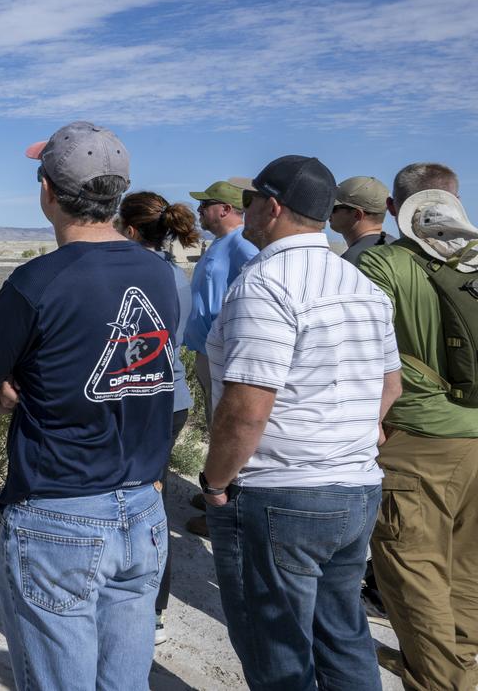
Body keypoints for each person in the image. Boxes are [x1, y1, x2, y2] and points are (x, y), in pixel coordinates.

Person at [0, 122, 179, 691]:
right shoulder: (161, 275)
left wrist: (9, 396)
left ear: (48, 193)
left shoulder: (35, 283)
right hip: (145, 512)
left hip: (59, 514)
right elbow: (142, 366)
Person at [201, 155, 400, 691]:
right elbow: (391, 385)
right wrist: (356, 432)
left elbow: (246, 410)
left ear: (272, 206)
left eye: (249, 201)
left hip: (280, 491)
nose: (244, 211)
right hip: (355, 487)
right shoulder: (362, 285)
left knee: (279, 655)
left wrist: (215, 483)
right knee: (343, 637)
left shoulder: (265, 285)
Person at [358, 162, 478, 690]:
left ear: (393, 209)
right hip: (474, 433)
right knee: (466, 566)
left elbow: (358, 357)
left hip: (418, 438)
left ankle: (439, 681)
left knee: (413, 572)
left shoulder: (381, 266)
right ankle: (465, 661)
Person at [117, 191, 200, 647]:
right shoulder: (177, 278)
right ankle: (154, 611)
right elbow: (180, 339)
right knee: (153, 505)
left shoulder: (121, 277)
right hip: (172, 402)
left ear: (129, 229)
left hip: (131, 404)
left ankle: (131, 605)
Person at [185, 179, 257, 400]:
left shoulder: (242, 243)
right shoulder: (222, 241)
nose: (199, 209)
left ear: (225, 209)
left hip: (223, 355)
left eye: (205, 204)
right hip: (208, 353)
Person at [331, 175, 394, 264]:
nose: (328, 212)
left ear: (357, 214)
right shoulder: (400, 247)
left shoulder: (350, 261)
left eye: (334, 208)